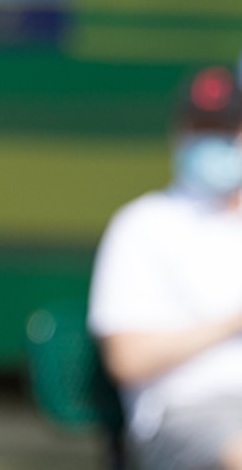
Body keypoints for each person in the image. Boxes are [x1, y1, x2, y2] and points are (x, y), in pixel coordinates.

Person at [88, 64, 242, 470]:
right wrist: (231, 323)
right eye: (201, 128)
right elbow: (127, 359)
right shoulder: (142, 224)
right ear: (179, 133)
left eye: (226, 129)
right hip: (185, 415)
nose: (214, 141)